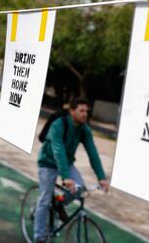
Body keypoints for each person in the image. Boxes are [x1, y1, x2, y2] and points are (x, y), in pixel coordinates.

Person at [34, 98, 110, 243]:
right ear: (72, 111)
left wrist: (101, 177)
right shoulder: (58, 125)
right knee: (44, 200)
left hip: (67, 164)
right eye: (81, 111)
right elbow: (58, 150)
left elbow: (92, 153)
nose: (85, 114)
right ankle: (39, 236)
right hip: (48, 163)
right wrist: (65, 177)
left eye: (86, 111)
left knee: (79, 189)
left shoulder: (84, 130)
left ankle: (59, 204)